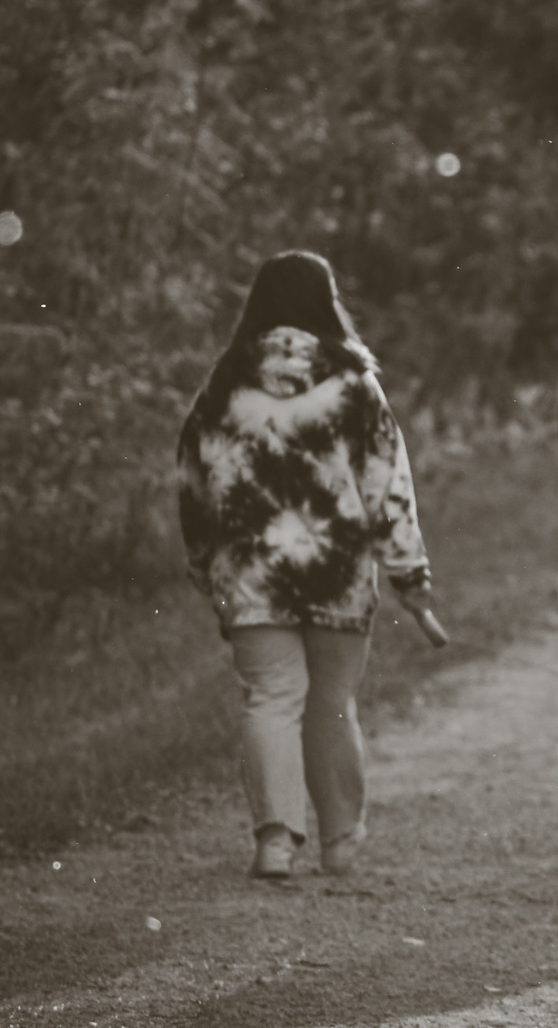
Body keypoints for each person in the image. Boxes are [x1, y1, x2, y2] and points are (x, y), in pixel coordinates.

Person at [177, 251, 436, 880]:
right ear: (328, 303)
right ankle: (340, 843)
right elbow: (387, 487)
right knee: (333, 702)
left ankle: (274, 842)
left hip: (253, 573)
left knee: (270, 698)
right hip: (337, 571)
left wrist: (207, 566)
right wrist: (409, 573)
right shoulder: (354, 384)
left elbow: (193, 484)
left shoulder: (223, 386)